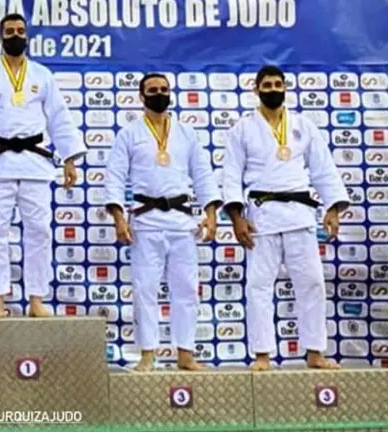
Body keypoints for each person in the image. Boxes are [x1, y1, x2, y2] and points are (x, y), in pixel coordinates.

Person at [0, 13, 86, 318]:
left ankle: (37, 298)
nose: (16, 35)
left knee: (39, 231)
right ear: (0, 36)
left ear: (27, 36)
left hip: (35, 163)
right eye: (10, 31)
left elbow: (59, 118)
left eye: (20, 31)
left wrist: (69, 159)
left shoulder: (42, 75)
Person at [222, 65, 349, 371]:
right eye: (267, 85)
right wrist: (237, 217)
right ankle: (262, 354)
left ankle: (315, 352)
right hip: (261, 217)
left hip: (300, 215)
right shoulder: (242, 128)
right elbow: (231, 175)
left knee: (312, 284)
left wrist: (332, 208)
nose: (273, 89)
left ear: (285, 87)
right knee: (259, 286)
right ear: (256, 89)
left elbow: (323, 169)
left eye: (278, 84)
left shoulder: (303, 126)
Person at [104, 73, 222, 371]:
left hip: (183, 222)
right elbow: (115, 177)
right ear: (142, 97)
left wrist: (210, 213)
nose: (159, 94)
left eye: (164, 90)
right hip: (146, 221)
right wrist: (119, 218)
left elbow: (203, 174)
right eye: (153, 90)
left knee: (186, 289)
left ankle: (185, 353)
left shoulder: (186, 132)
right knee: (145, 289)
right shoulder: (129, 134)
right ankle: (147, 354)